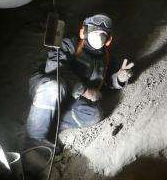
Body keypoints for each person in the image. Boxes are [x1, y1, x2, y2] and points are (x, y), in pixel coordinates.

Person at [25, 14, 134, 148]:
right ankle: (34, 141)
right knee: (54, 86)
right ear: (84, 32)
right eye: (95, 32)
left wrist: (119, 78)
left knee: (94, 114)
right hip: (47, 88)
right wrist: (85, 91)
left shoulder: (106, 57)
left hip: (72, 97)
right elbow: (55, 69)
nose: (99, 37)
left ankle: (50, 125)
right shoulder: (69, 44)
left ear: (108, 39)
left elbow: (106, 83)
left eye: (103, 34)